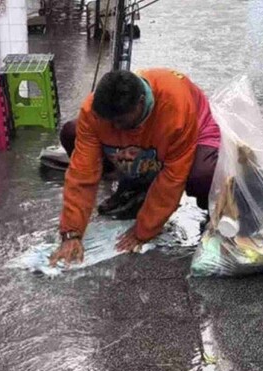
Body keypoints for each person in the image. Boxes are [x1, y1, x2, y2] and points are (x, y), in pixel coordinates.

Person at [49, 68, 221, 267]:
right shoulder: (94, 112)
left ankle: (214, 212)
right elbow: (82, 173)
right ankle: (134, 181)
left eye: (119, 122)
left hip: (194, 131)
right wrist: (72, 233)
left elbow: (173, 178)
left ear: (140, 103)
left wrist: (144, 229)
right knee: (72, 132)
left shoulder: (175, 109)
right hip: (147, 143)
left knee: (202, 175)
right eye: (108, 122)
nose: (113, 128)